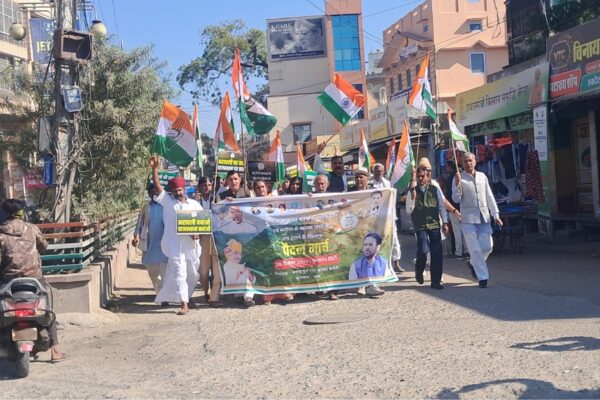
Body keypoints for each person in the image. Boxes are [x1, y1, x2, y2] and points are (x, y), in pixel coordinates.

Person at [0, 199, 68, 362]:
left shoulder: (1, 234)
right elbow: (44, 246)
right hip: (34, 280)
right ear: (21, 213)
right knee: (47, 309)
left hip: (8, 282)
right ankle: (55, 351)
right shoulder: (32, 228)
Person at [150, 156, 201, 315]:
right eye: (175, 191)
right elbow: (158, 186)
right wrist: (154, 169)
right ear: (171, 192)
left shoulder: (194, 205)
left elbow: (202, 223)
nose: (178, 193)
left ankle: (187, 296)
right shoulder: (168, 201)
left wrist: (196, 234)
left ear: (184, 189)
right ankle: (184, 304)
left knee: (193, 274)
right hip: (174, 245)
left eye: (180, 190)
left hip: (191, 246)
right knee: (180, 272)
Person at [452, 152, 503, 288]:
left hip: (484, 216)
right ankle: (483, 277)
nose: (468, 163)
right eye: (465, 161)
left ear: (475, 162)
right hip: (468, 218)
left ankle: (472, 263)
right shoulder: (459, 177)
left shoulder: (482, 176)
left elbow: (489, 196)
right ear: (462, 163)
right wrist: (457, 184)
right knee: (474, 249)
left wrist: (496, 214)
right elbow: (456, 199)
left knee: (488, 246)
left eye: (470, 160)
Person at [406, 158, 455, 289]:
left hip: (434, 224)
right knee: (423, 250)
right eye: (419, 176)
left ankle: (436, 281)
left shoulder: (435, 188)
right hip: (420, 225)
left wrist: (445, 222)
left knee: (436, 253)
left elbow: (441, 206)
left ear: (428, 175)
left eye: (423, 175)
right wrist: (412, 197)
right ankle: (419, 270)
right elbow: (408, 210)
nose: (421, 178)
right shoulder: (412, 189)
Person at [252, 180, 294, 305]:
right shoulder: (250, 204)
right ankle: (268, 296)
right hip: (260, 238)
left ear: (266, 188)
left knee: (280, 263)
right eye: (258, 188)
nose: (261, 189)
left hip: (275, 236)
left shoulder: (275, 201)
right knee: (266, 266)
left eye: (262, 187)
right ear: (254, 190)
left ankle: (283, 292)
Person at [132, 184, 168, 294]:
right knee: (153, 273)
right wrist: (136, 236)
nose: (154, 193)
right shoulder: (146, 207)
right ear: (149, 194)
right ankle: (160, 293)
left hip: (164, 245)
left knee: (165, 272)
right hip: (149, 245)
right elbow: (140, 224)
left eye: (156, 191)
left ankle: (163, 296)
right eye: (151, 192)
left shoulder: (166, 206)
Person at [371, 163, 404, 273]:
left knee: (394, 240)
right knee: (376, 241)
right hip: (375, 218)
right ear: (373, 172)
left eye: (381, 171)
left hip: (389, 216)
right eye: (377, 171)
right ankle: (378, 265)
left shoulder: (388, 183)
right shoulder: (370, 184)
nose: (379, 173)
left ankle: (396, 264)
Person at [196, 177, 222, 307]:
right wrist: (194, 201)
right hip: (202, 237)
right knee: (203, 271)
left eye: (209, 185)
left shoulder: (216, 199)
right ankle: (206, 291)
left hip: (216, 236)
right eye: (204, 185)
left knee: (217, 270)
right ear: (199, 187)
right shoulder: (194, 201)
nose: (207, 187)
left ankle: (214, 297)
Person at [348, 232, 392, 297]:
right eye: (365, 245)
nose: (367, 247)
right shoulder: (356, 265)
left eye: (370, 245)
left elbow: (387, 278)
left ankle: (370, 287)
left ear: (378, 247)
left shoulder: (383, 263)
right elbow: (351, 282)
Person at [444, 160, 467, 259]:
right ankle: (465, 251)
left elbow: (453, 195)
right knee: (463, 230)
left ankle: (459, 252)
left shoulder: (453, 177)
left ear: (450, 166)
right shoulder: (460, 176)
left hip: (454, 207)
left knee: (457, 230)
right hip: (460, 207)